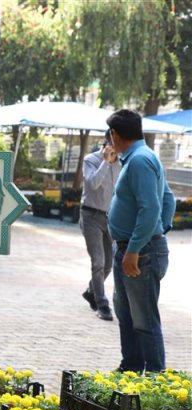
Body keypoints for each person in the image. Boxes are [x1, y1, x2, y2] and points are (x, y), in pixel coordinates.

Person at [106, 109, 175, 373]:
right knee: (126, 315)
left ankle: (156, 380)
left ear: (114, 134)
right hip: (131, 248)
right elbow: (167, 200)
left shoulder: (140, 161)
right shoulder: (139, 158)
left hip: (139, 252)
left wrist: (140, 245)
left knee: (144, 320)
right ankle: (131, 369)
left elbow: (151, 208)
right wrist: (158, 231)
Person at [80, 130, 120, 321]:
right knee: (98, 262)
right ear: (106, 142)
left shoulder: (123, 163)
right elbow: (93, 184)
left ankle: (91, 290)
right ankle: (102, 304)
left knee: (108, 264)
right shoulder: (91, 160)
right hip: (91, 215)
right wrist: (106, 162)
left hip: (111, 218)